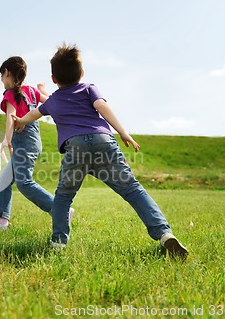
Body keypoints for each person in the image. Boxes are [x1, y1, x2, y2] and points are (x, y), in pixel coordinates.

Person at [14, 44, 188, 258]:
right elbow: (103, 107)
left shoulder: (53, 100)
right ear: (82, 73)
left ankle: (59, 243)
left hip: (75, 147)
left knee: (63, 196)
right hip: (103, 142)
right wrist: (123, 132)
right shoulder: (88, 88)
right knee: (133, 190)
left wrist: (20, 121)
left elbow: (34, 114)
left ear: (53, 79)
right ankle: (164, 234)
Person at [0, 56, 61, 230]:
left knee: (24, 182)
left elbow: (11, 118)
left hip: (24, 143)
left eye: (2, 77)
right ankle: (1, 220)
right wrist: (44, 89)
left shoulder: (10, 94)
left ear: (6, 72)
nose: (2, 81)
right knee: (4, 180)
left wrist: (6, 139)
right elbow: (51, 102)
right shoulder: (32, 91)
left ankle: (60, 210)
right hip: (33, 141)